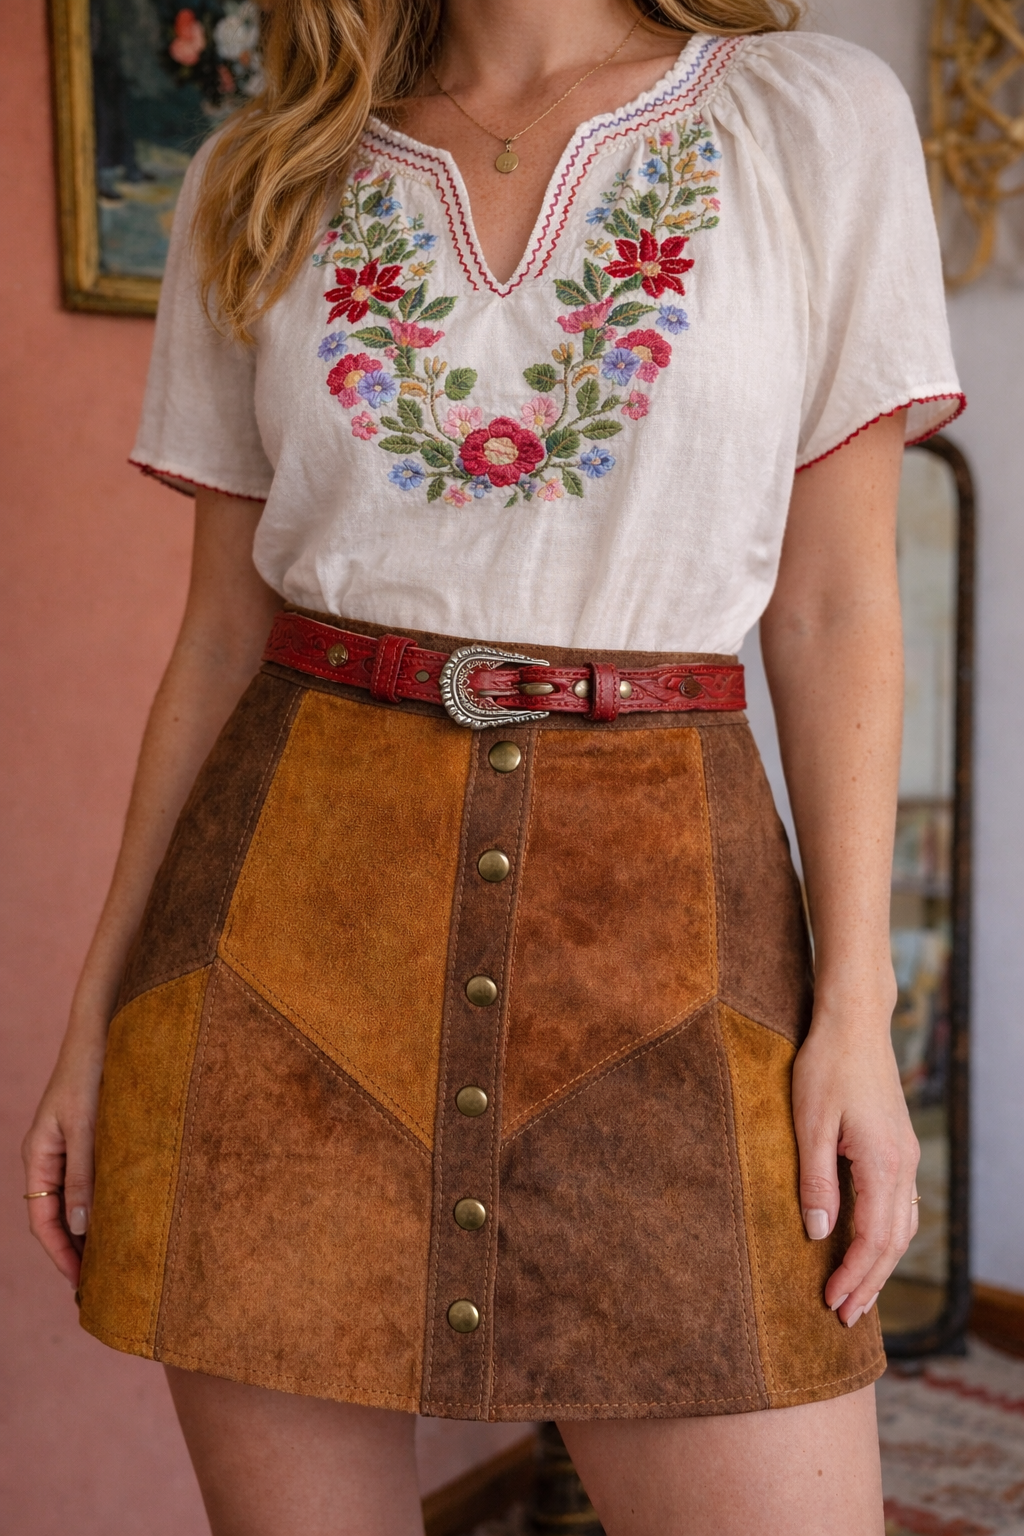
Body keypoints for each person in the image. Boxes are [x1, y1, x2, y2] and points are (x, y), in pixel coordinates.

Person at [24, 0, 963, 1530]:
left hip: (668, 941)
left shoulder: (813, 120)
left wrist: (857, 1013)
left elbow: (839, 606)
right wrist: (92, 1018)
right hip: (283, 954)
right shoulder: (263, 170)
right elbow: (214, 640)